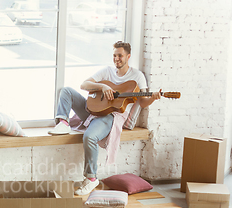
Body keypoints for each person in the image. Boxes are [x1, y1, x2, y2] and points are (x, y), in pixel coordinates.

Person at [48, 41, 161, 196]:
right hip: (93, 111)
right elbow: (84, 84)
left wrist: (153, 98)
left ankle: (91, 178)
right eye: (114, 55)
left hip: (111, 116)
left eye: (120, 56)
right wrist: (103, 87)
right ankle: (63, 122)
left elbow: (143, 101)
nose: (117, 59)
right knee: (66, 91)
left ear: (128, 56)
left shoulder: (137, 76)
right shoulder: (107, 71)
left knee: (89, 137)